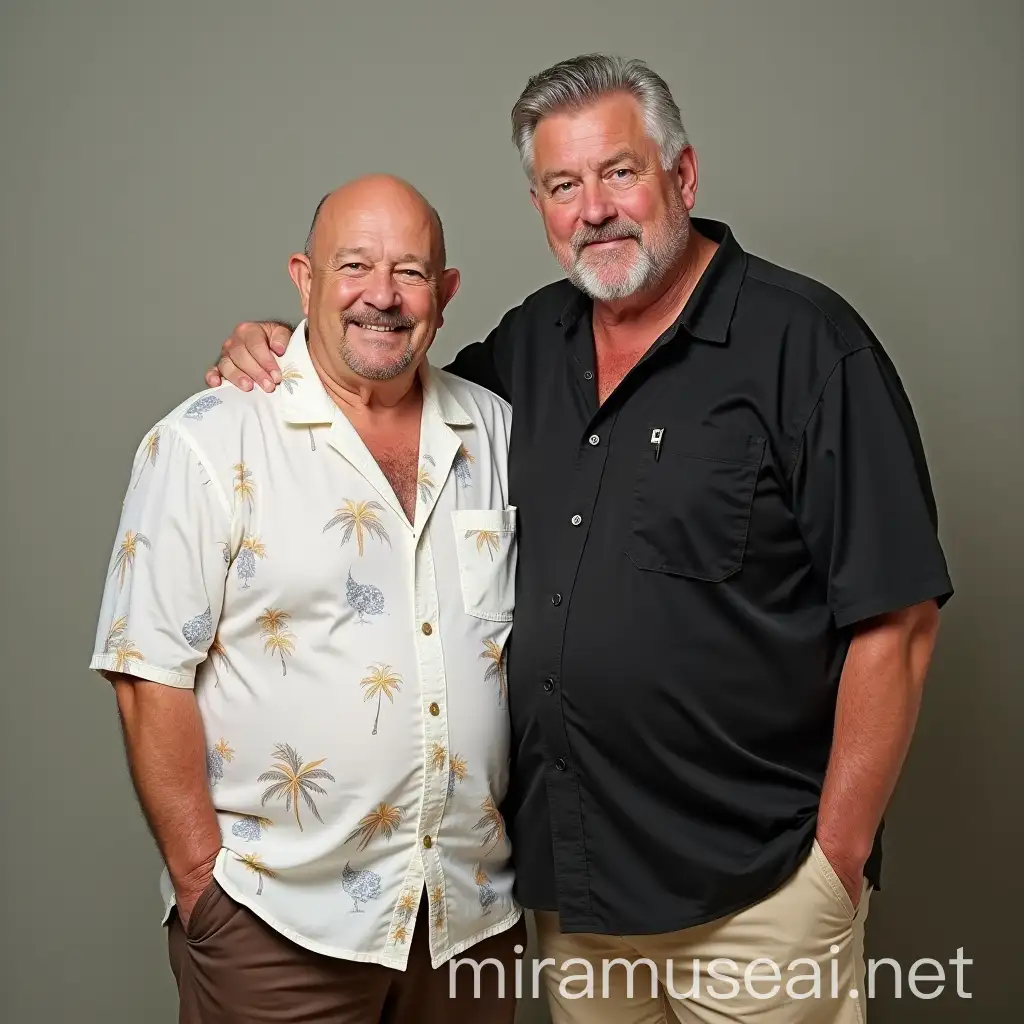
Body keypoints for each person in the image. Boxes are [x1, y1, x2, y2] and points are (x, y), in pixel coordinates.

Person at [204, 55, 952, 1023]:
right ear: (540, 205)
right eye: (563, 185)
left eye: (619, 173)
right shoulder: (525, 350)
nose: (593, 208)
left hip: (756, 894)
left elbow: (896, 620)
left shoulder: (804, 345)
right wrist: (284, 340)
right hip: (574, 897)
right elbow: (381, 379)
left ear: (681, 177)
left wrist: (834, 865)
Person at [90, 174, 526, 1024]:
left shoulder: (500, 432)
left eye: (409, 271)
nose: (382, 295)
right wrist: (202, 893)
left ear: (446, 292)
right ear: (304, 279)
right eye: (354, 266)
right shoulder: (207, 442)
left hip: (468, 921)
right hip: (276, 924)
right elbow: (147, 676)